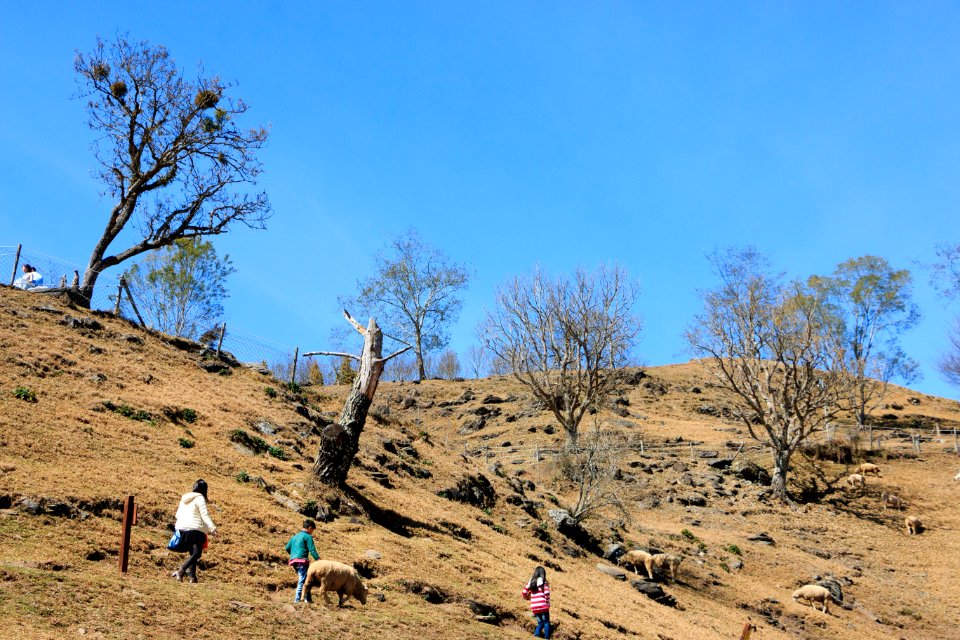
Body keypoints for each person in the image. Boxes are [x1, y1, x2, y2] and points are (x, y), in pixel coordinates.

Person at [171, 479, 217, 583]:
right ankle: (181, 571)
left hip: (183, 529)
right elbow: (204, 515)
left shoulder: (184, 499)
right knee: (197, 553)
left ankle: (193, 577)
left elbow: (177, 515)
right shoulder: (200, 498)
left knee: (193, 553)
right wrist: (212, 528)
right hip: (195, 530)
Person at [285, 519, 321, 602]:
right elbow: (312, 550)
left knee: (306, 579)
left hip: (293, 561)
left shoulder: (295, 536)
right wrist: (318, 559)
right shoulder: (308, 537)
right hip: (302, 561)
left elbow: (287, 548)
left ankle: (307, 599)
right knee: (302, 580)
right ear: (310, 528)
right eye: (312, 530)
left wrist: (293, 554)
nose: (312, 532)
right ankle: (297, 600)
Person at [521, 565, 551, 638]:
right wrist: (547, 602)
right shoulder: (543, 581)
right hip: (543, 605)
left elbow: (524, 592)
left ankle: (536, 635)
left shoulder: (531, 581)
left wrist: (527, 598)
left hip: (534, 606)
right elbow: (547, 593)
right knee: (546, 622)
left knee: (540, 623)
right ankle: (547, 638)